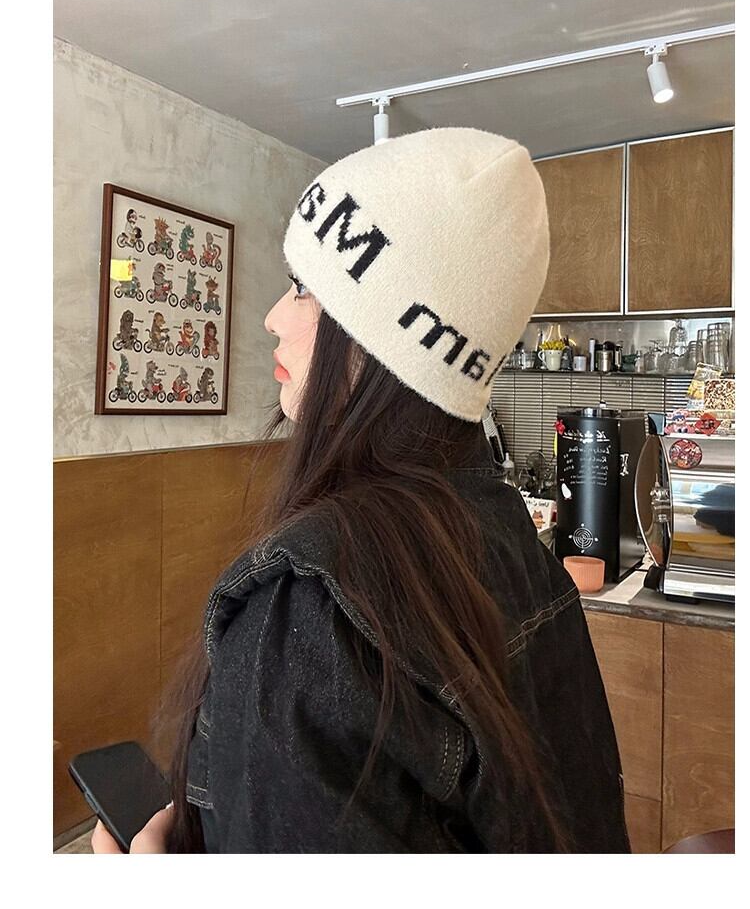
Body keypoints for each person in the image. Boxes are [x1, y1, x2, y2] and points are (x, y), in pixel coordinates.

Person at [93, 127, 630, 854]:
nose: (273, 317)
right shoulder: (506, 536)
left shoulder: (310, 618)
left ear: (382, 335)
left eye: (303, 287)